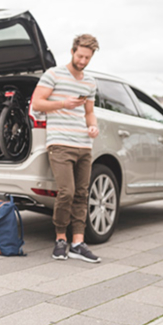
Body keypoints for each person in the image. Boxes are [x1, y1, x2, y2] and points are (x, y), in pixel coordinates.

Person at [31, 34, 101, 263]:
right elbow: (37, 103)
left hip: (84, 144)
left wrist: (93, 127)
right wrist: (63, 103)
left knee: (82, 193)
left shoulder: (90, 82)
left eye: (87, 57)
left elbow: (89, 113)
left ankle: (78, 243)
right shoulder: (53, 75)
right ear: (72, 52)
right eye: (80, 56)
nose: (83, 61)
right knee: (67, 192)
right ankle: (61, 238)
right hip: (60, 142)